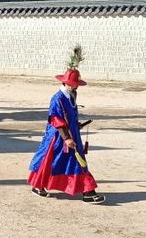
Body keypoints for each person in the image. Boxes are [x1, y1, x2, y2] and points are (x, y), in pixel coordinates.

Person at [28, 46, 104, 204]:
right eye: (75, 84)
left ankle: (86, 191)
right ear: (67, 83)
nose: (77, 86)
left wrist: (77, 125)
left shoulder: (71, 95)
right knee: (58, 161)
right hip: (59, 138)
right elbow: (56, 119)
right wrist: (67, 138)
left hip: (71, 134)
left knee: (69, 162)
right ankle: (88, 192)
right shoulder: (57, 98)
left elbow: (69, 116)